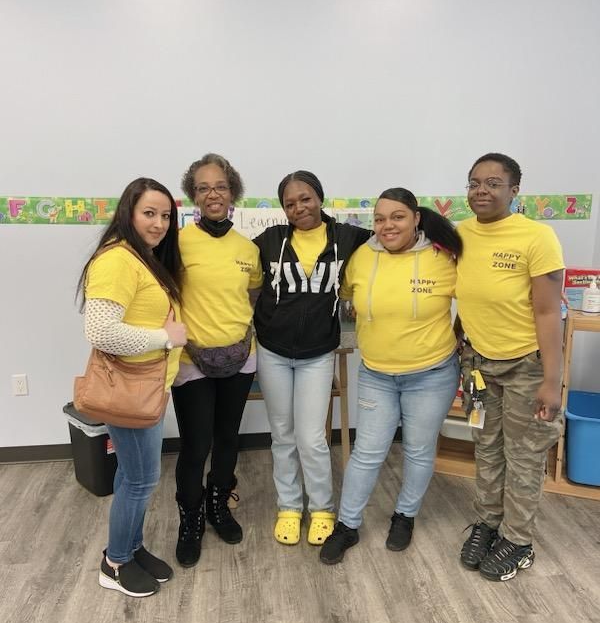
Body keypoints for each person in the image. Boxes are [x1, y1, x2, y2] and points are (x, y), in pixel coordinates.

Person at [320, 188, 462, 564]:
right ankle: (347, 526)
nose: (387, 226)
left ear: (416, 218)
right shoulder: (362, 257)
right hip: (377, 374)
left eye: (397, 217)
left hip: (432, 374)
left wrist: (461, 336)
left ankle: (405, 516)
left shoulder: (443, 257)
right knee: (367, 452)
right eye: (380, 219)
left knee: (418, 449)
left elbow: (474, 300)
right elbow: (346, 295)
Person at [455, 153, 564, 581]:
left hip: (525, 367)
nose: (481, 190)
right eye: (474, 183)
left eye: (493, 183)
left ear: (515, 190)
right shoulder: (461, 234)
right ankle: (488, 522)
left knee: (524, 455)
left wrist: (552, 381)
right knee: (486, 447)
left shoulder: (537, 237)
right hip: (479, 366)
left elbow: (548, 313)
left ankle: (518, 540)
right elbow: (470, 295)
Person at [77, 178, 187, 598]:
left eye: (165, 216)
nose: (159, 223)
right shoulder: (117, 260)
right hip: (130, 388)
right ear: (128, 212)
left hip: (147, 387)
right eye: (149, 213)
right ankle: (115, 563)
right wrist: (165, 338)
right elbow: (101, 331)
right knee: (140, 480)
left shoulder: (142, 258)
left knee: (133, 475)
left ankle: (132, 547)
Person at [253, 171, 370, 546]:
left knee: (312, 438)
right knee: (282, 435)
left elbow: (392, 242)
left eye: (305, 198)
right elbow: (237, 274)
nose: (299, 207)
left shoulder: (347, 238)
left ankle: (322, 509)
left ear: (319, 197)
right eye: (289, 203)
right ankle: (289, 507)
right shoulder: (270, 240)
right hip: (272, 350)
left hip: (318, 353)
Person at [172, 153, 262, 567]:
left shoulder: (248, 249)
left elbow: (252, 294)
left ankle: (218, 505)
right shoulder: (176, 244)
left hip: (240, 358)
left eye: (221, 186)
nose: (213, 194)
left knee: (227, 439)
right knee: (196, 445)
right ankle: (190, 519)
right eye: (204, 187)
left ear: (233, 192)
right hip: (191, 361)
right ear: (193, 194)